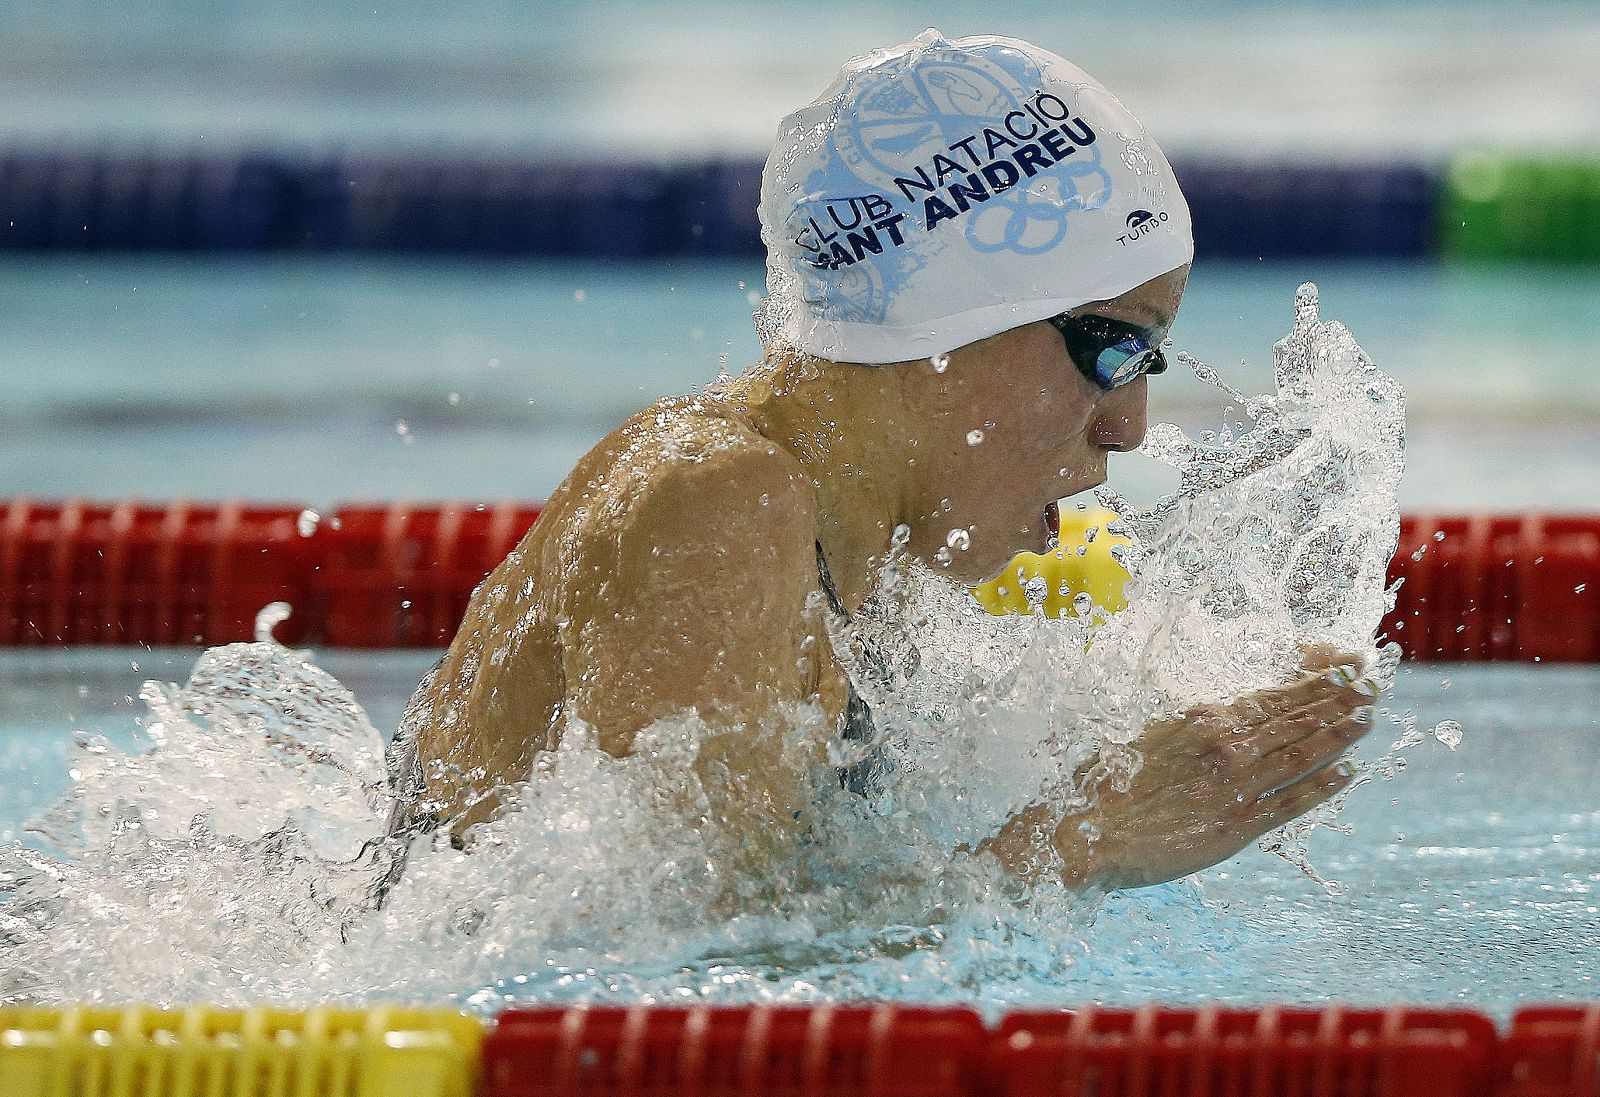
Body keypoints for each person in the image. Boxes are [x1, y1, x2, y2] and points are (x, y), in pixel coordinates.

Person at [385, 31, 1372, 892]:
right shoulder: (712, 500)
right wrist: (1082, 838)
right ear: (953, 319)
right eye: (1113, 348)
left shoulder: (863, 556)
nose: (1129, 426)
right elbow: (705, 972)